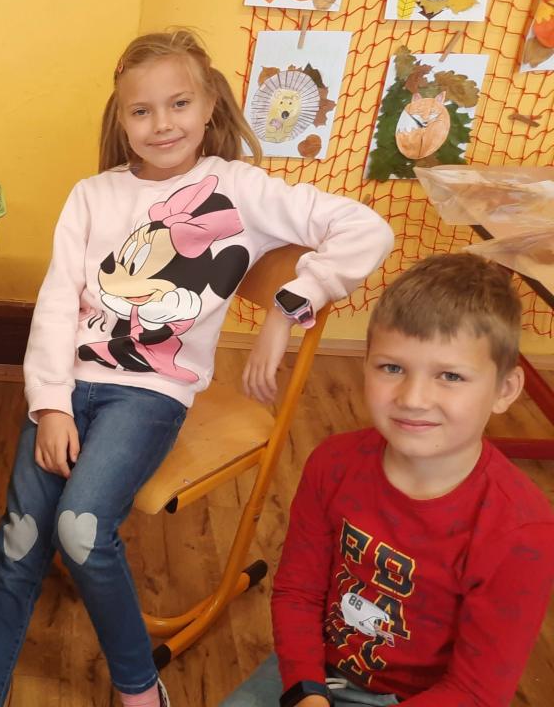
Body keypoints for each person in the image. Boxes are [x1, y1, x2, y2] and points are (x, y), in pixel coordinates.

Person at [0, 29, 394, 707]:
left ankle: (141, 690)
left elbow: (367, 229)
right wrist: (49, 404)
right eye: (142, 110)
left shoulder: (240, 188)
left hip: (150, 393)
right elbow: (55, 304)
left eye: (179, 103)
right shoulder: (91, 195)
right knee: (17, 544)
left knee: (79, 527)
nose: (162, 124)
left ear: (210, 104)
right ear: (121, 118)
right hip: (69, 384)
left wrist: (288, 307)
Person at [221, 253, 554, 707]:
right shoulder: (332, 464)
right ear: (366, 364)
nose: (413, 398)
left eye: (450, 376)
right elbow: (298, 592)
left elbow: (475, 692)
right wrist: (306, 690)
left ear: (505, 390)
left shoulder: (522, 531)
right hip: (310, 669)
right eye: (392, 368)